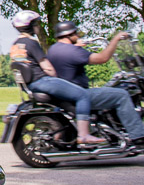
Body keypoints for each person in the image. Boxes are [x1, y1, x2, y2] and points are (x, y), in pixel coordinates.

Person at [48, 21, 144, 147]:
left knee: (108, 91)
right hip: (80, 95)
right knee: (122, 95)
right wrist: (116, 39)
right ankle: (139, 136)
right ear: (69, 35)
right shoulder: (73, 51)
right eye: (76, 33)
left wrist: (78, 46)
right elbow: (103, 58)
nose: (78, 36)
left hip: (65, 95)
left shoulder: (53, 49)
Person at [9, 10, 105, 144]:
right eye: (36, 24)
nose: (38, 27)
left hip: (31, 84)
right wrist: (57, 76)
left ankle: (62, 135)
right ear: (29, 26)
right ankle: (84, 135)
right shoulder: (32, 43)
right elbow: (47, 66)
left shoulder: (15, 45)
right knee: (82, 95)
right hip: (42, 81)